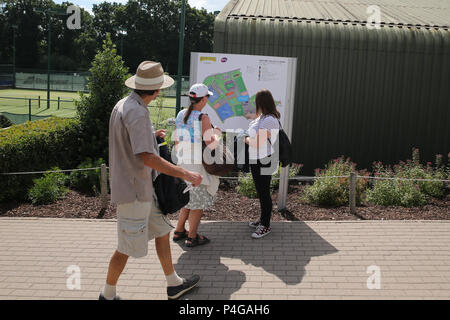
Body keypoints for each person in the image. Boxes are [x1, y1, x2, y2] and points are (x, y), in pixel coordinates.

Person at [100, 61, 203, 300]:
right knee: (126, 246)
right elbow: (146, 157)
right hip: (135, 191)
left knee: (161, 231)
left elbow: (132, 142)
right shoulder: (136, 112)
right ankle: (107, 295)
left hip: (141, 190)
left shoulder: (124, 104)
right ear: (157, 90)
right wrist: (185, 173)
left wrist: (151, 136)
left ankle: (174, 283)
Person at [172, 83, 220, 247]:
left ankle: (179, 230)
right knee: (197, 204)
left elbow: (176, 141)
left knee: (187, 199)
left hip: (183, 162)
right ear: (204, 98)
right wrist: (218, 136)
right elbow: (210, 144)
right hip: (197, 165)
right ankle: (192, 237)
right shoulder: (203, 117)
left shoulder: (180, 114)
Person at [245, 89, 280, 239]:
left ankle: (265, 225)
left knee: (264, 192)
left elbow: (257, 142)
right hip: (258, 159)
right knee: (261, 191)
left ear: (261, 103)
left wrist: (244, 139)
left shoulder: (269, 120)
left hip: (265, 160)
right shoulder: (263, 118)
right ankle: (262, 219)